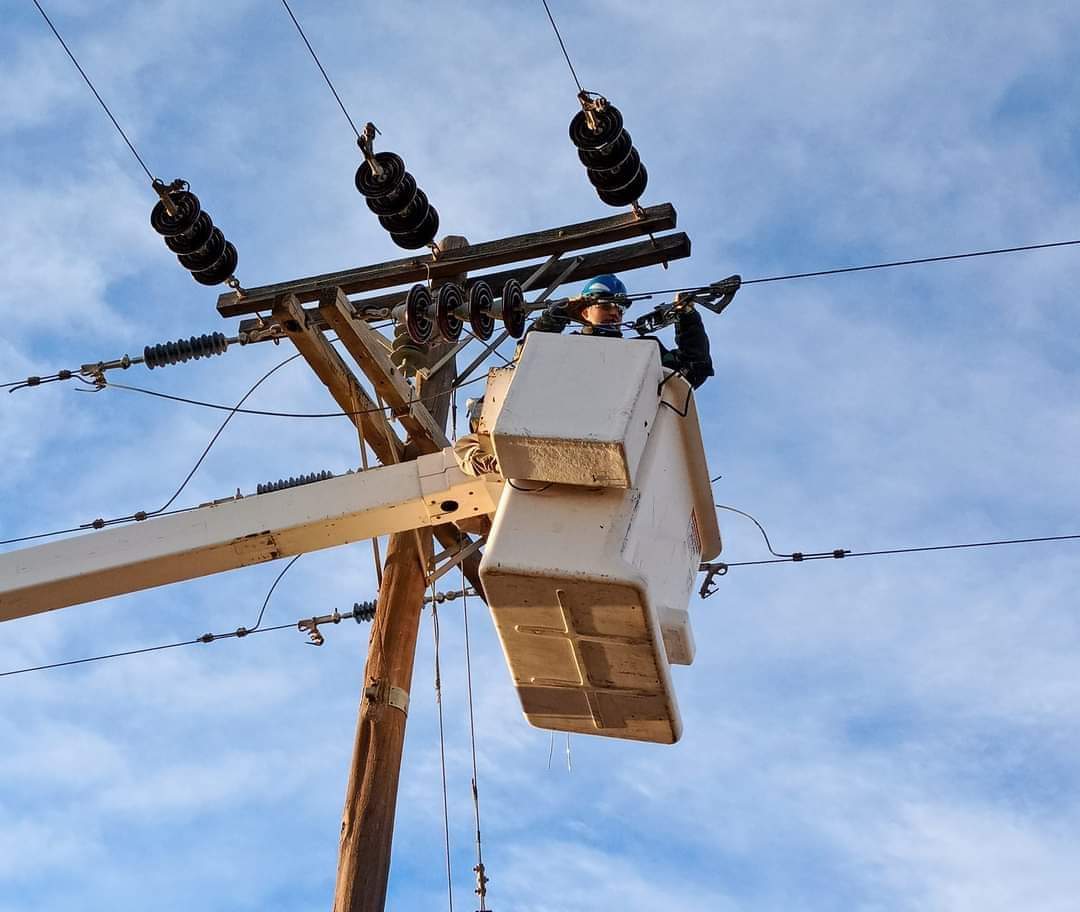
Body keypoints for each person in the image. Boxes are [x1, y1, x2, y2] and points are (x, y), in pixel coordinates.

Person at [533, 273, 715, 389]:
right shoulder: (563, 348)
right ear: (585, 311)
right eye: (606, 306)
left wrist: (687, 317)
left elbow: (694, 369)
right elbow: (526, 360)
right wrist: (551, 320)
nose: (614, 313)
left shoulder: (644, 353)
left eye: (620, 309)